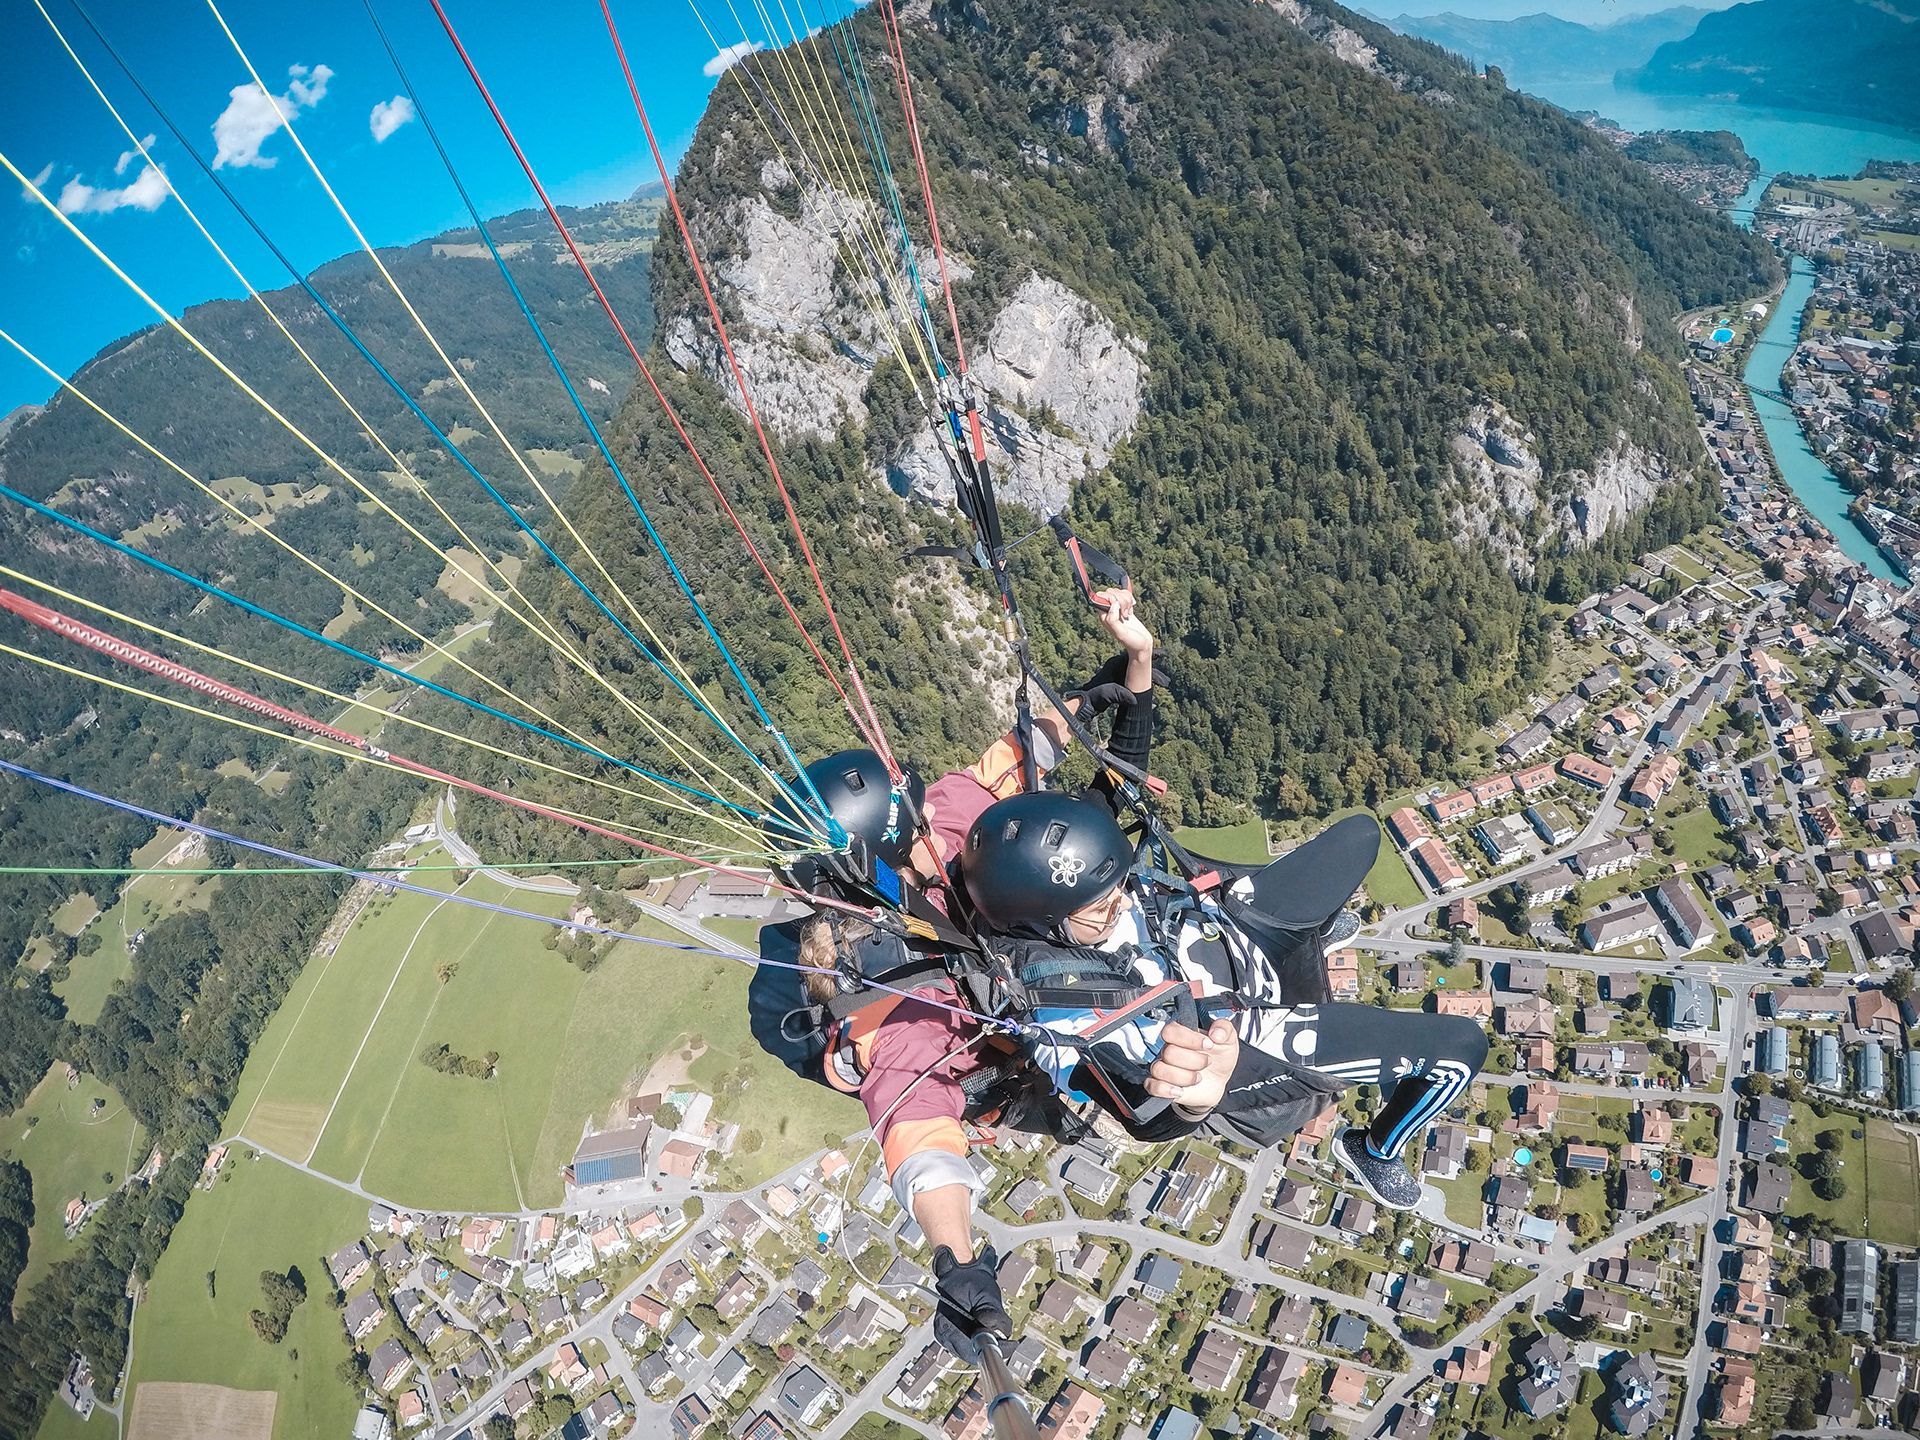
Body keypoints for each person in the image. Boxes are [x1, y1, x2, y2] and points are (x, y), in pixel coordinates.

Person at [764, 587, 1486, 1359]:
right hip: (1171, 1053)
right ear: (864, 877)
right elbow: (921, 1138)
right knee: (1457, 1049)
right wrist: (959, 1260)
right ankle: (1373, 1148)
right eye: (905, 842)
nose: (925, 841)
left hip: (1167, 940)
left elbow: (1029, 746)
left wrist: (1133, 670)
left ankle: (1292, 950)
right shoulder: (911, 996)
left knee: (1357, 839)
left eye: (916, 818)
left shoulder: (951, 817)